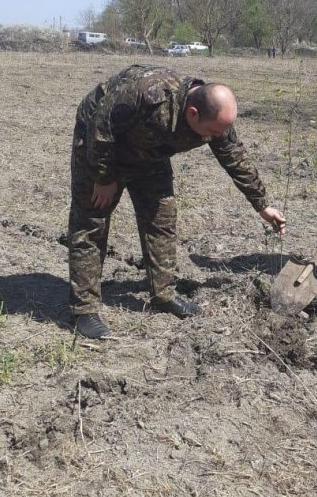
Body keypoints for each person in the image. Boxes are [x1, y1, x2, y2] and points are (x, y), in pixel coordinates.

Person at [68, 64, 286, 339]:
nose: (217, 137)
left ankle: (163, 294)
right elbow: (101, 126)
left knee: (162, 219)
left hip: (149, 154)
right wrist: (104, 177)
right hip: (101, 145)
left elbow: (233, 155)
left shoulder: (215, 117)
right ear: (192, 113)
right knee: (91, 221)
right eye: (212, 132)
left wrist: (262, 205)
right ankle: (84, 309)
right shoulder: (147, 95)